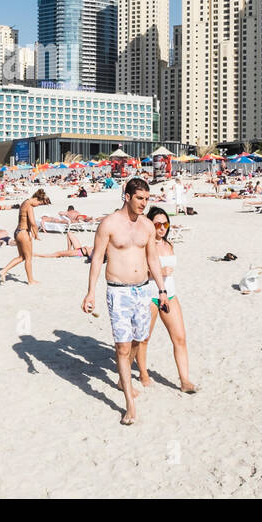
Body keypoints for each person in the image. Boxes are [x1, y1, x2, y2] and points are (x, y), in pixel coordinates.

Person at [81, 178, 171, 426]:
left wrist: (161, 289)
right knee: (121, 347)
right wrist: (90, 292)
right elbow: (97, 258)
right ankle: (130, 404)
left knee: (139, 340)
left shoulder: (147, 226)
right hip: (118, 291)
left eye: (147, 198)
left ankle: (123, 379)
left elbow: (153, 259)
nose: (144, 203)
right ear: (127, 196)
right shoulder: (109, 224)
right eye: (140, 198)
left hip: (143, 290)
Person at [137, 206, 197, 392]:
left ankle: (184, 380)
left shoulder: (168, 244)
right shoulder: (145, 246)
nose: (162, 228)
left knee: (180, 338)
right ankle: (143, 373)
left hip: (170, 294)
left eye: (165, 223)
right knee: (144, 338)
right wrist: (157, 272)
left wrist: (165, 273)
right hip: (151, 296)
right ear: (150, 225)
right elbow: (137, 271)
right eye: (158, 224)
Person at [1, 189, 51, 284]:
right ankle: (30, 280)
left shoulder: (25, 202)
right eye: (40, 204)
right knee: (28, 258)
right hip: (23, 233)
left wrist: (33, 233)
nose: (38, 206)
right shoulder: (30, 206)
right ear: (37, 199)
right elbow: (32, 222)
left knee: (22, 257)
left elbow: (26, 220)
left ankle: (4, 270)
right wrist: (36, 234)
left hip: (17, 232)